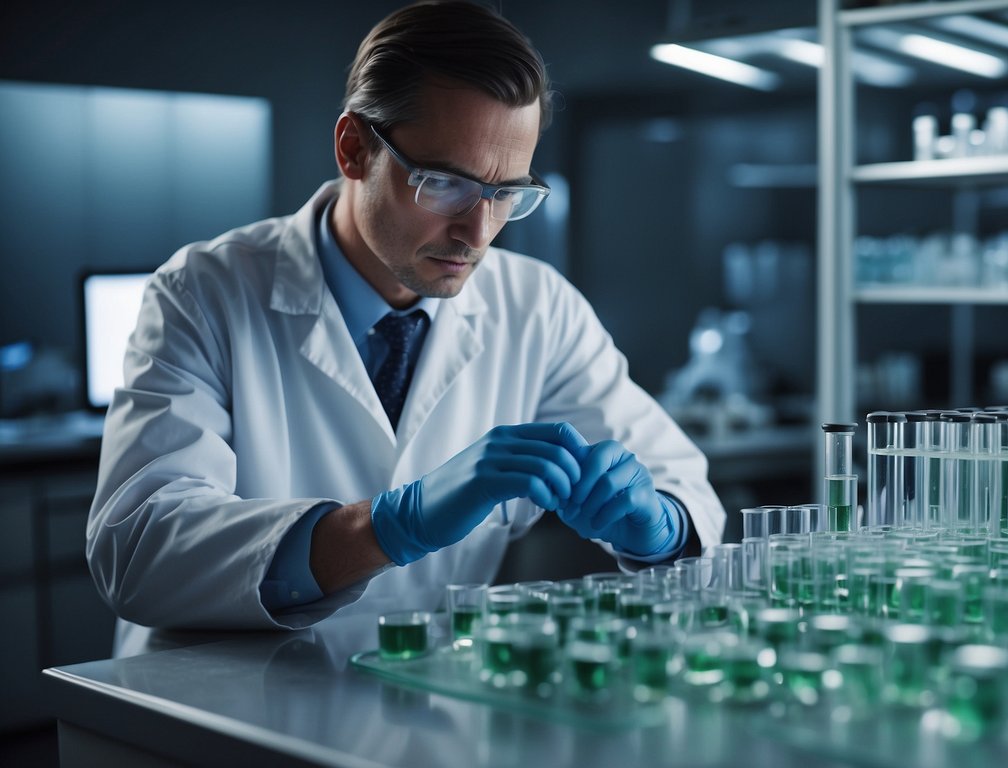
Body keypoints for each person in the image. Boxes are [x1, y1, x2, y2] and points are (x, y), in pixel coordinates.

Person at [87, 0, 725, 655]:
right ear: (354, 148)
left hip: (417, 707)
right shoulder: (205, 290)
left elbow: (679, 484)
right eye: (446, 183)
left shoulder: (537, 307)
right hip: (209, 708)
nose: (478, 232)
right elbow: (137, 550)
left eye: (507, 192)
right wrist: (388, 527)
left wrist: (658, 527)